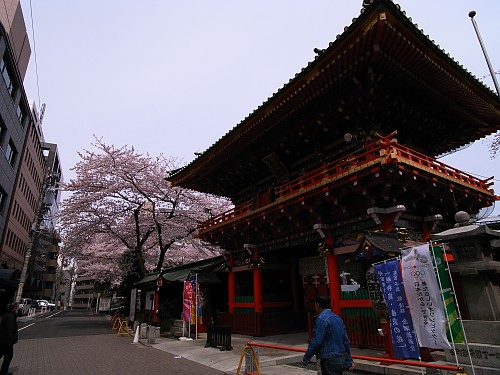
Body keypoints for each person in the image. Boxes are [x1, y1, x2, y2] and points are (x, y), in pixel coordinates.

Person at [302, 295, 354, 375]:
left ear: (318, 305)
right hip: (340, 357)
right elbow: (345, 341)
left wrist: (306, 357)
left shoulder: (321, 319)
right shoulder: (338, 318)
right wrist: (348, 360)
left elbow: (317, 341)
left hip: (328, 358)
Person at [0, 303, 18, 375]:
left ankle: (4, 371)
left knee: (2, 353)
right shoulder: (10, 316)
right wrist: (11, 340)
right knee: (8, 356)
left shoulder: (6, 314)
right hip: (7, 340)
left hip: (2, 339)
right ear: (13, 308)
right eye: (15, 308)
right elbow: (10, 329)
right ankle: (4, 372)